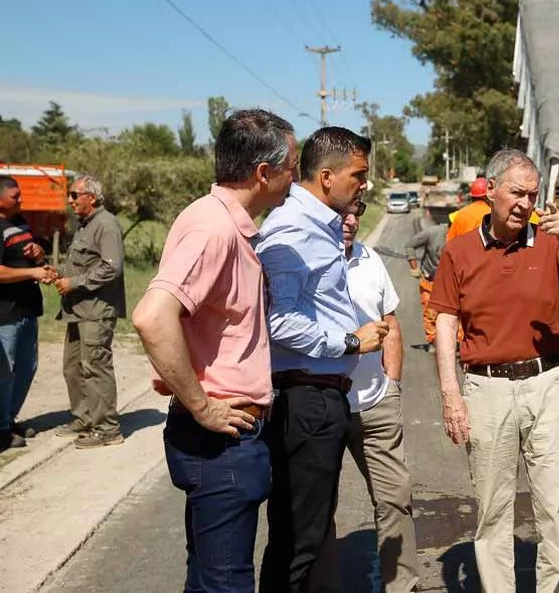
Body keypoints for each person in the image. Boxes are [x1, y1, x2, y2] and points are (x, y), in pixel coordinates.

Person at [132, 108, 298, 592]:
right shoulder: (215, 229)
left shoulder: (226, 223)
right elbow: (151, 316)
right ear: (263, 173)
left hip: (226, 440)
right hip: (222, 441)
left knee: (208, 579)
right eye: (290, 167)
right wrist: (202, 406)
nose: (294, 178)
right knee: (226, 583)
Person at [429, 149, 559, 593]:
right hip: (486, 390)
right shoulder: (459, 251)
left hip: (550, 384)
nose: (525, 204)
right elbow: (446, 322)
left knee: (556, 510)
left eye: (532, 195)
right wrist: (451, 396)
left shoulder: (550, 241)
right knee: (493, 512)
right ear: (491, 191)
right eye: (516, 193)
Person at [257, 126, 389, 593]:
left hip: (317, 395)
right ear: (327, 176)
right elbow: (281, 322)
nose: (364, 184)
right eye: (359, 174)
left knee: (302, 532)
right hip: (307, 397)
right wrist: (350, 342)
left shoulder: (317, 226)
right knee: (301, 540)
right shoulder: (294, 230)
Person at [342, 205, 419, 593]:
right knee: (313, 512)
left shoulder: (370, 259)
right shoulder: (294, 257)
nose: (351, 220)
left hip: (375, 403)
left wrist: (392, 386)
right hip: (319, 406)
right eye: (343, 211)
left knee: (395, 499)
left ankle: (400, 585)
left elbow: (391, 325)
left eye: (357, 211)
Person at [54, 174, 126, 449]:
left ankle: (107, 428)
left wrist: (74, 283)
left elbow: (111, 268)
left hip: (96, 311)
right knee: (72, 368)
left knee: (95, 367)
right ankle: (84, 418)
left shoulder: (106, 225)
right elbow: (82, 265)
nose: (70, 201)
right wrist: (58, 272)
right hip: (77, 310)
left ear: (91, 197)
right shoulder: (84, 225)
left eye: (74, 195)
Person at [0, 176, 55, 451]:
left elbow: (36, 256)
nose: (20, 200)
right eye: (15, 196)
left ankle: (8, 420)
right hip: (5, 315)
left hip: (28, 309)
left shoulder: (20, 223)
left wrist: (39, 254)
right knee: (4, 371)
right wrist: (32, 272)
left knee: (26, 367)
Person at [405, 218, 448, 350]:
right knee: (430, 311)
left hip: (451, 281)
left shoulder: (464, 236)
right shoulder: (433, 233)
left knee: (455, 313)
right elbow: (410, 245)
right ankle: (432, 341)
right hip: (430, 278)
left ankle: (456, 343)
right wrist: (414, 267)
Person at [446, 176, 489, 242]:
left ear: (471, 196)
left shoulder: (460, 214)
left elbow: (449, 243)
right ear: (488, 196)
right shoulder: (491, 214)